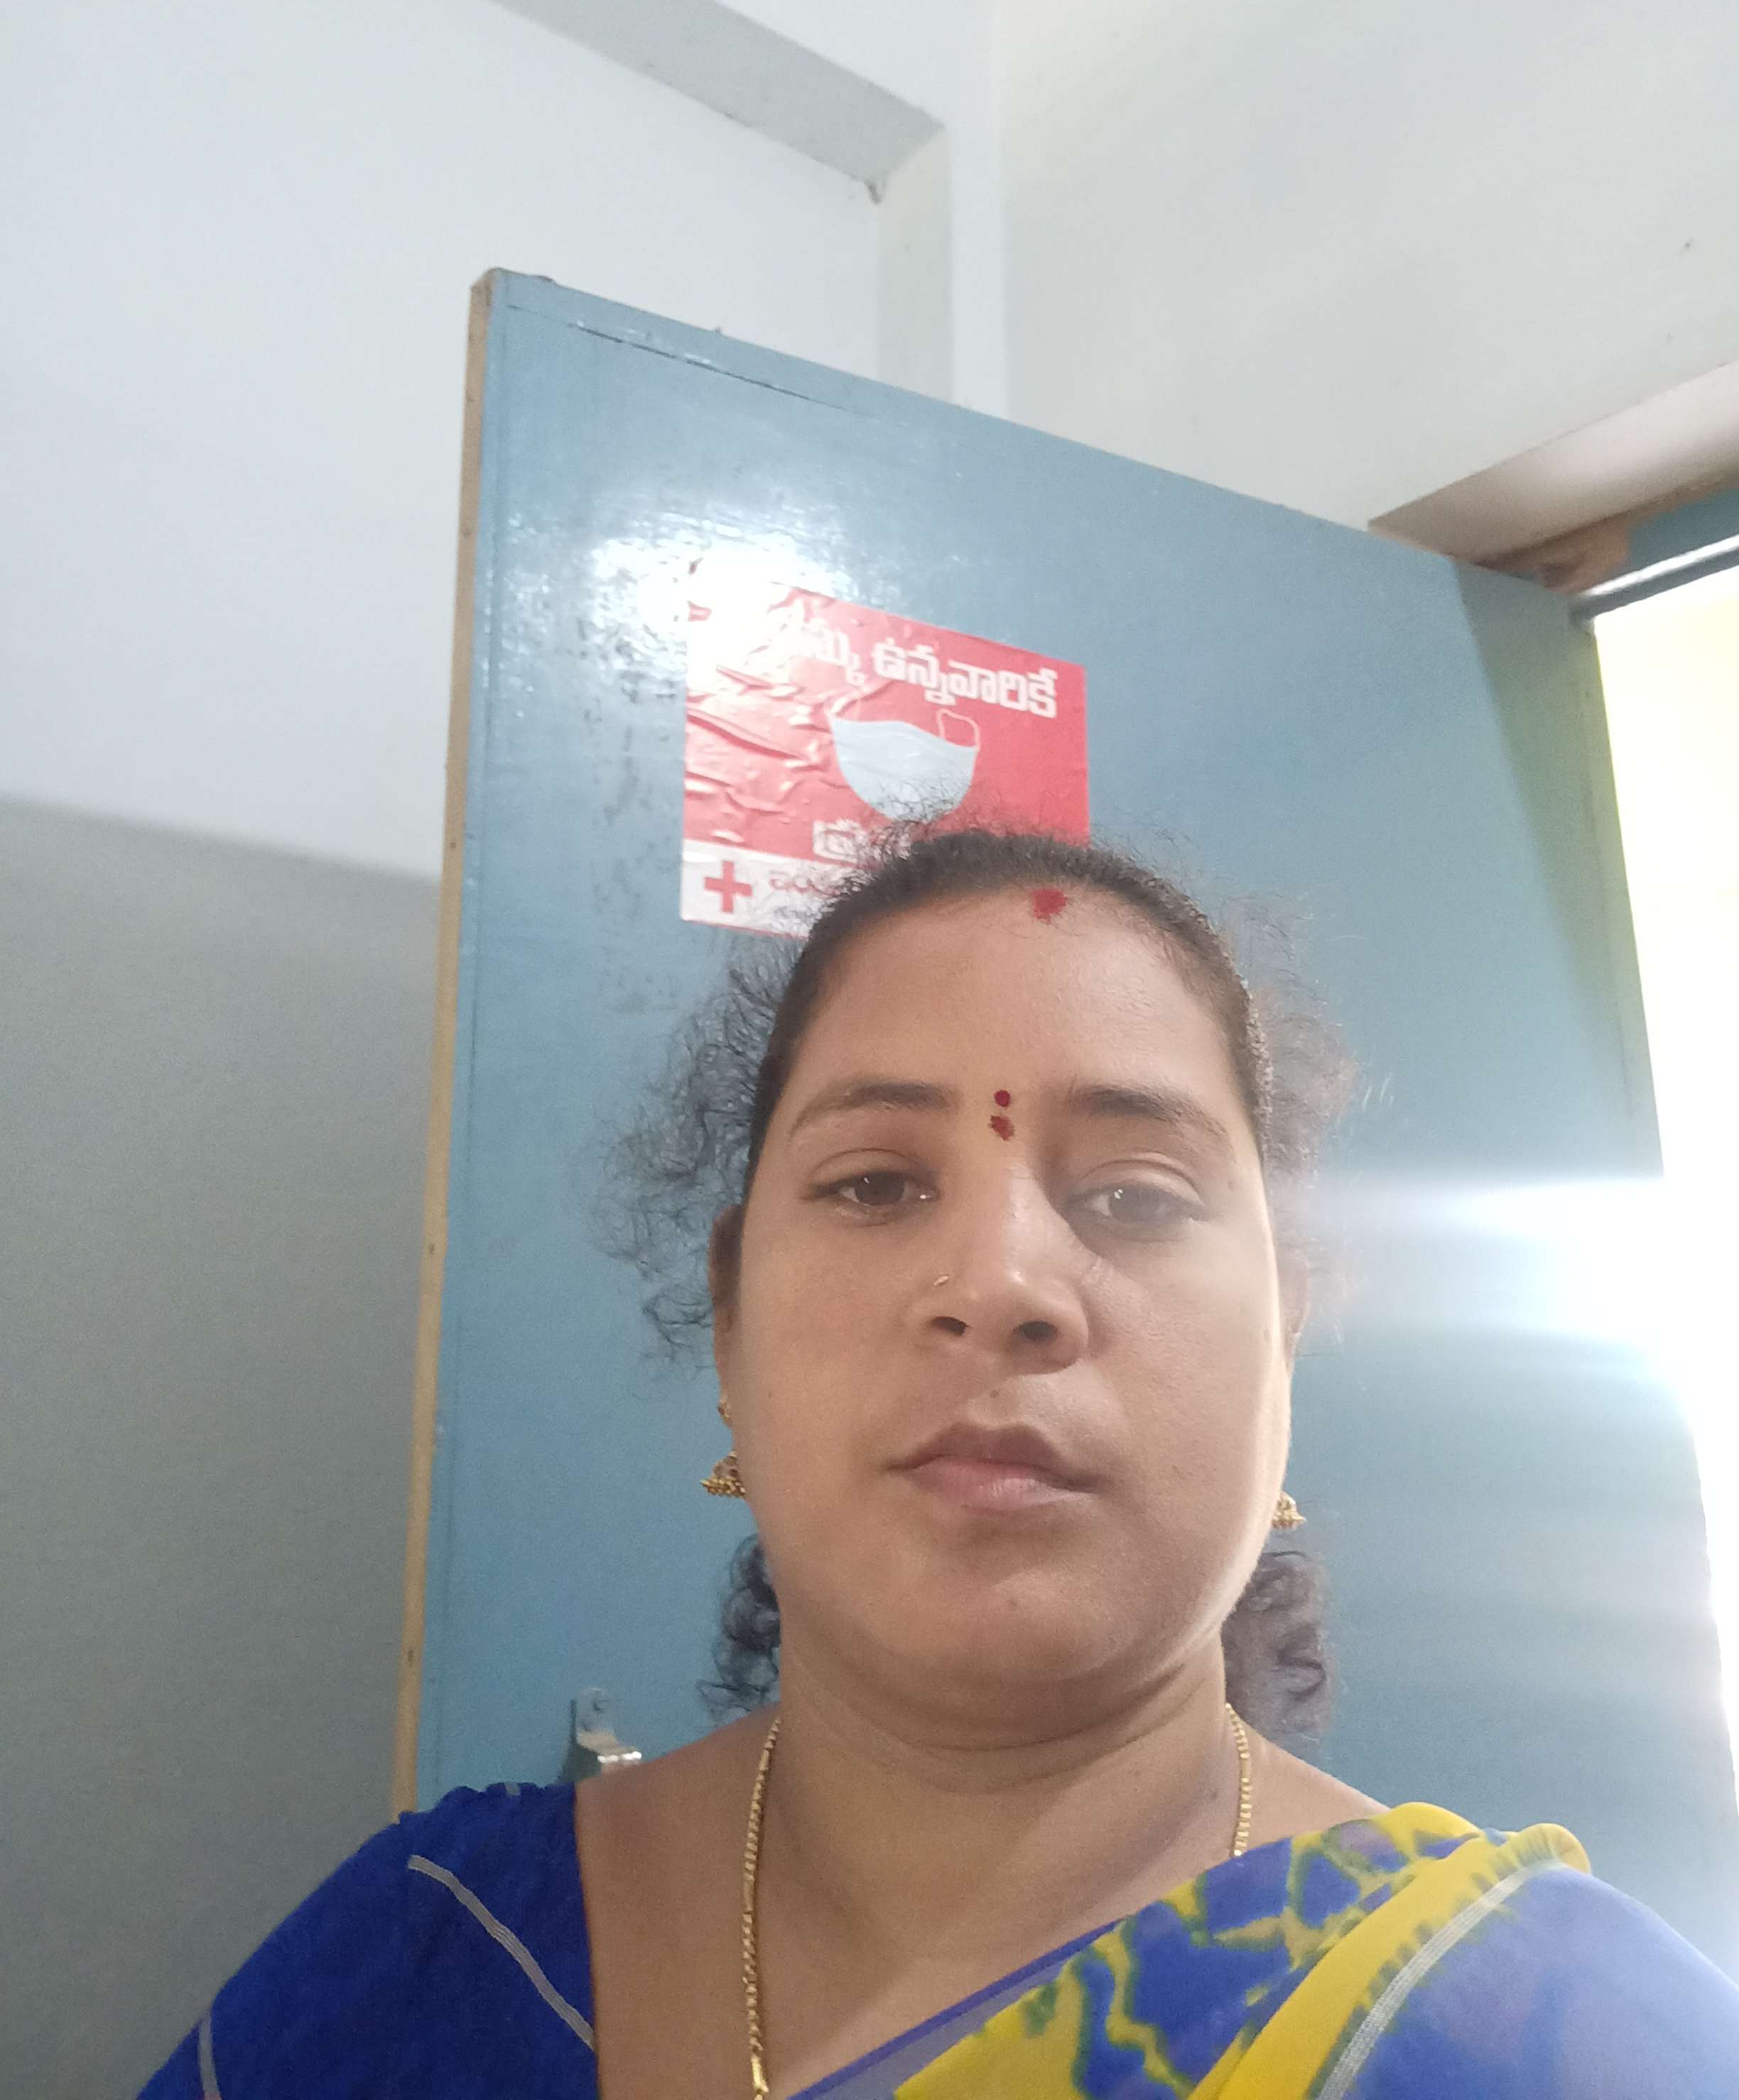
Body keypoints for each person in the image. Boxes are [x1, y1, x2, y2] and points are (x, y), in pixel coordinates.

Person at [143, 828, 1739, 2098]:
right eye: (875, 1185)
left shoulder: (1551, 2038)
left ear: (1288, 1333)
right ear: (730, 1326)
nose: (1003, 1283)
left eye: (1136, 1196)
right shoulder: (426, 1957)